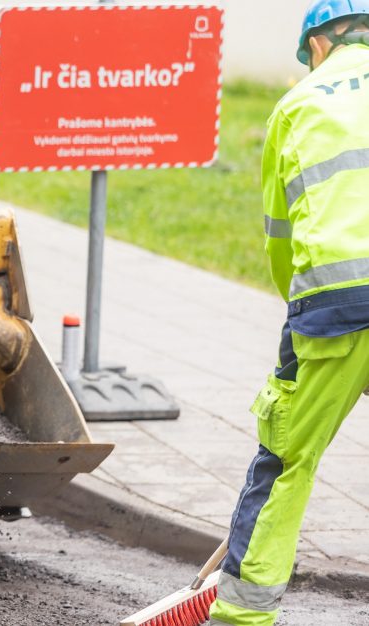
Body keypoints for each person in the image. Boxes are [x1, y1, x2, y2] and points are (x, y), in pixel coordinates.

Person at [208, 1, 369, 624]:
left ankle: (244, 615)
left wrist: (300, 308)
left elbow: (281, 239)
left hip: (337, 305)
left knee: (286, 460)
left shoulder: (299, 105)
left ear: (318, 47)